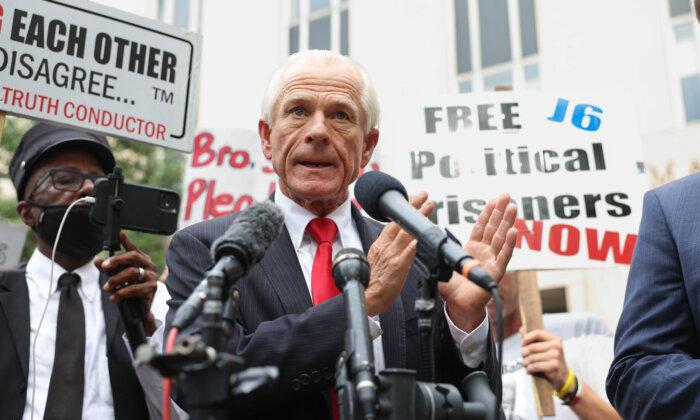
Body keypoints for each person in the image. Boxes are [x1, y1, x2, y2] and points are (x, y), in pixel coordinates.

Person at [164, 49, 519, 419]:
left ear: (367, 146)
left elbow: (476, 404)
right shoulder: (210, 248)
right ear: (267, 138)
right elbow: (198, 383)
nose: (317, 131)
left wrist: (464, 319)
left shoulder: (413, 252)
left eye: (340, 115)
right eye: (298, 111)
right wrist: (361, 305)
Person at [0, 123, 162, 420]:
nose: (89, 189)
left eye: (101, 183)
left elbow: (173, 407)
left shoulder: (144, 297)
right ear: (27, 213)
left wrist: (147, 329)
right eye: (65, 179)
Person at [489, 272, 618, 420]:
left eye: (499, 259)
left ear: (519, 268)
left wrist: (568, 384)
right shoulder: (463, 357)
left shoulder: (582, 329)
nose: (489, 274)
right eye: (474, 264)